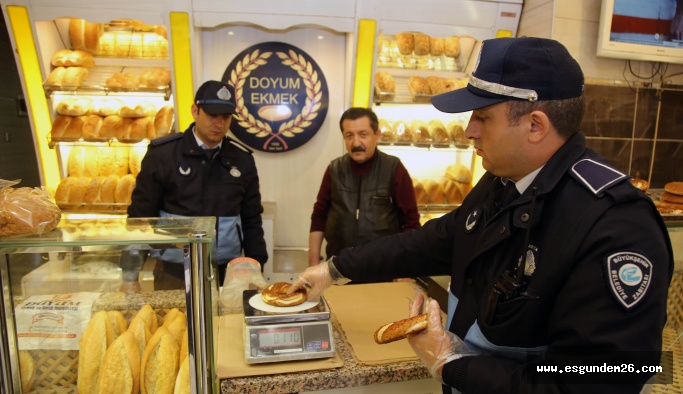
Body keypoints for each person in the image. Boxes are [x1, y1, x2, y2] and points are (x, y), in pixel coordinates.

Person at [290, 37, 673, 393]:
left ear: (535, 125)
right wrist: (334, 269)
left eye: (482, 117)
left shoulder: (616, 226)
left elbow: (597, 379)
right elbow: (432, 240)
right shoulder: (503, 180)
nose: (469, 130)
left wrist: (451, 364)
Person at [126, 80, 268, 290]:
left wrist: (257, 270)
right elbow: (140, 217)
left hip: (225, 272)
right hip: (172, 271)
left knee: (225, 323)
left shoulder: (242, 160)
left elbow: (251, 219)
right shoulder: (163, 155)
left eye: (226, 117)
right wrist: (130, 275)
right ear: (195, 111)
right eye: (212, 115)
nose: (219, 124)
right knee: (173, 322)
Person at [308, 107, 420, 268]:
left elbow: (411, 222)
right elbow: (319, 216)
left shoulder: (394, 168)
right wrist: (313, 263)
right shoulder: (334, 169)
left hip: (383, 267)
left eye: (363, 134)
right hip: (338, 267)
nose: (356, 143)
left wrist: (405, 267)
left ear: (377, 135)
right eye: (349, 136)